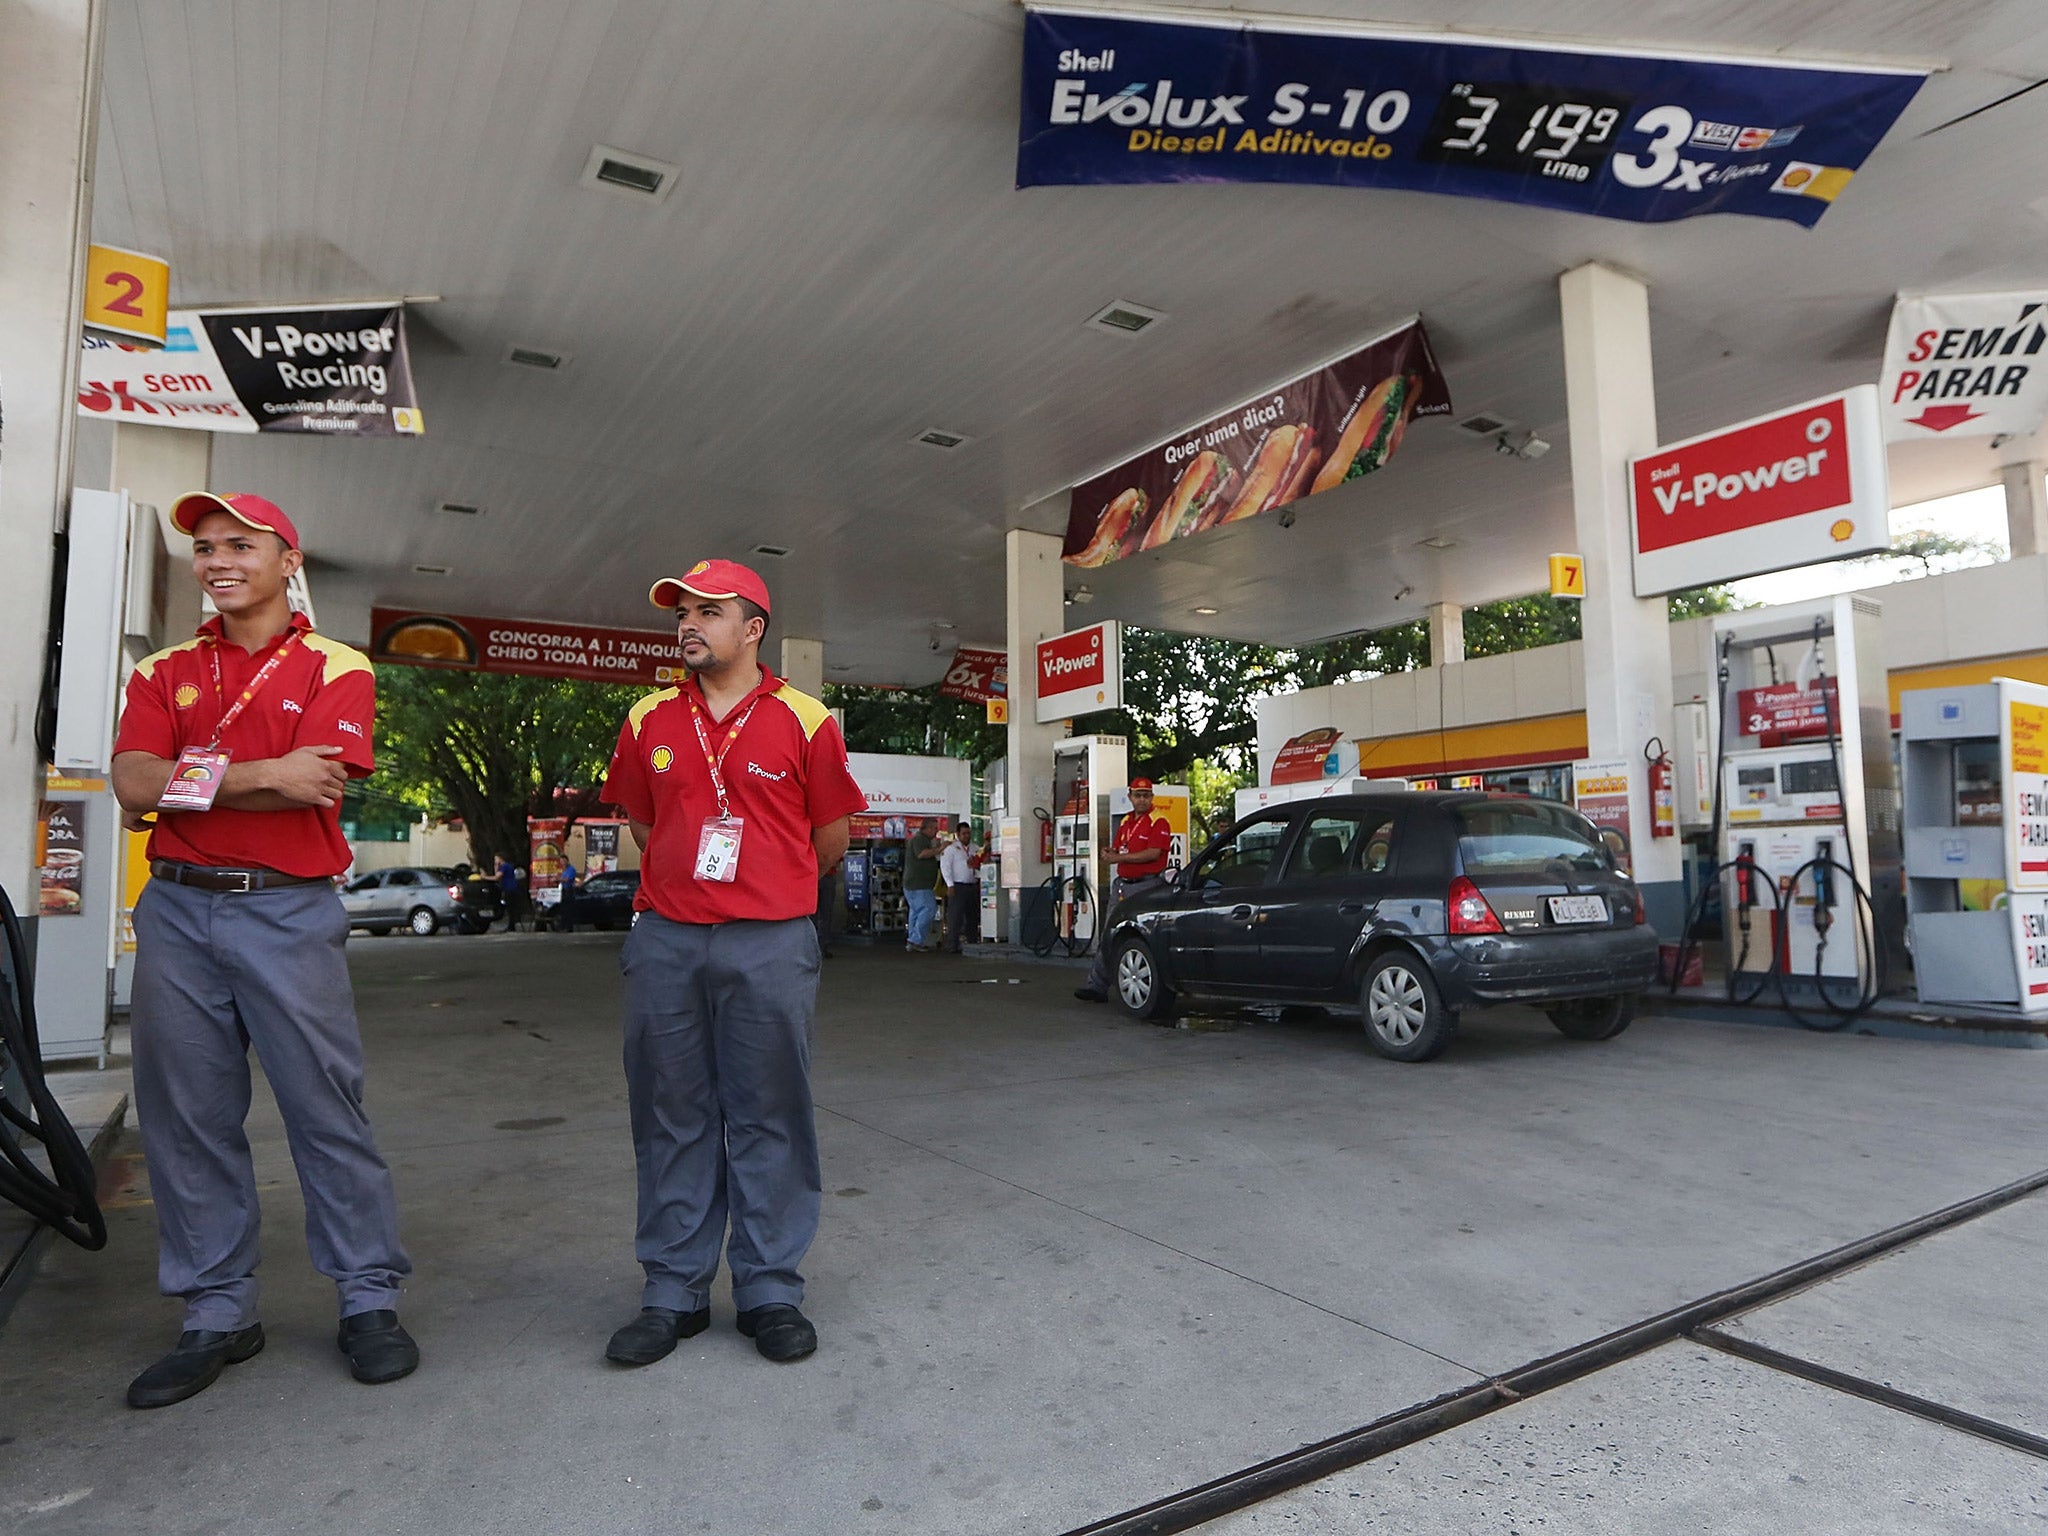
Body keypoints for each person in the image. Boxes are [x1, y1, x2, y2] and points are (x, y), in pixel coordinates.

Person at [109, 492, 416, 1409]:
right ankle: (217, 1311)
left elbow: (314, 786)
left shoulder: (336, 665)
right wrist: (259, 773)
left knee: (325, 1109)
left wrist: (187, 786)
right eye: (204, 548)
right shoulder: (165, 669)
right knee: (187, 1117)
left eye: (239, 545)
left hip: (286, 913)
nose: (216, 560)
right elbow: (129, 776)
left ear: (290, 559)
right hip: (176, 912)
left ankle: (367, 1298)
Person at [599, 559, 867, 1368]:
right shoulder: (648, 717)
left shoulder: (805, 718)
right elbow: (647, 826)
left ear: (753, 629)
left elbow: (831, 838)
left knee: (769, 1110)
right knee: (672, 1109)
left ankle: (769, 1288)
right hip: (668, 940)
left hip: (770, 941)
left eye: (709, 611)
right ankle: (672, 1290)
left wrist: (764, 889)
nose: (688, 623)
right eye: (682, 611)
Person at [1075, 778, 1175, 1003]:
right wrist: (1111, 851)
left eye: (1146, 795)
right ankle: (1097, 987)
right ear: (1130, 796)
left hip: (1148, 885)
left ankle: (1153, 988)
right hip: (1123, 885)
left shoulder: (1159, 821)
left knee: (1145, 935)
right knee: (1110, 934)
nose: (1142, 799)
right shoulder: (1127, 822)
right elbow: (1124, 847)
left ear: (1152, 797)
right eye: (1137, 795)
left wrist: (1118, 857)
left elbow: (1153, 853)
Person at [939, 822, 978, 955]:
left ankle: (972, 942)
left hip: (972, 885)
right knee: (955, 916)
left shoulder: (975, 848)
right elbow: (945, 867)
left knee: (972, 915)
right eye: (964, 834)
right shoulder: (951, 849)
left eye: (968, 833)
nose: (967, 836)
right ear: (958, 834)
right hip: (958, 886)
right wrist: (950, 884)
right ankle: (952, 944)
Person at [903, 817, 939, 951]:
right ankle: (916, 939)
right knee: (929, 909)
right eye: (935, 828)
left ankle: (912, 939)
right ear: (927, 828)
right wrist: (939, 849)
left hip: (913, 884)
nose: (937, 831)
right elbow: (922, 854)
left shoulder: (921, 840)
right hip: (919, 884)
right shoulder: (919, 840)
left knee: (916, 912)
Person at [496, 855, 521, 932]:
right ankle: (512, 925)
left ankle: (511, 926)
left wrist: (484, 877)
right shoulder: (508, 866)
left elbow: (497, 877)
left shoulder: (504, 866)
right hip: (512, 888)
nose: (495, 860)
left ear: (500, 858)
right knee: (511, 908)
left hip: (509, 888)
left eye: (496, 859)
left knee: (510, 908)